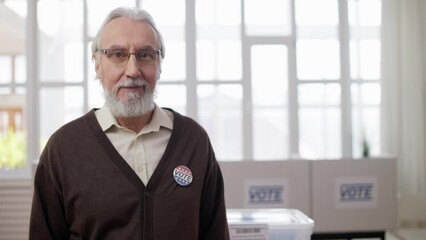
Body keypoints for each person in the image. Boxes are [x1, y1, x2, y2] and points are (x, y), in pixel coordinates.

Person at [29, 6, 230, 240]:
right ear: (96, 64)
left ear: (159, 65)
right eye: (117, 54)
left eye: (145, 55)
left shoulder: (194, 141)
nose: (133, 70)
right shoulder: (63, 149)